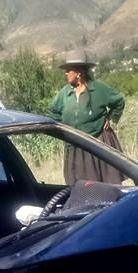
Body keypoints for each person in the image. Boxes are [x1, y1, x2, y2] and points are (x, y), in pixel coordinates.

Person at [47, 50, 125, 184]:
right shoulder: (65, 92)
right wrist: (63, 126)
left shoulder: (98, 89)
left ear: (78, 72)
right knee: (80, 186)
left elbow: (119, 101)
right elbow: (52, 109)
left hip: (97, 141)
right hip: (75, 144)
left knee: (103, 184)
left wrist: (111, 117)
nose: (66, 73)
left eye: (68, 70)